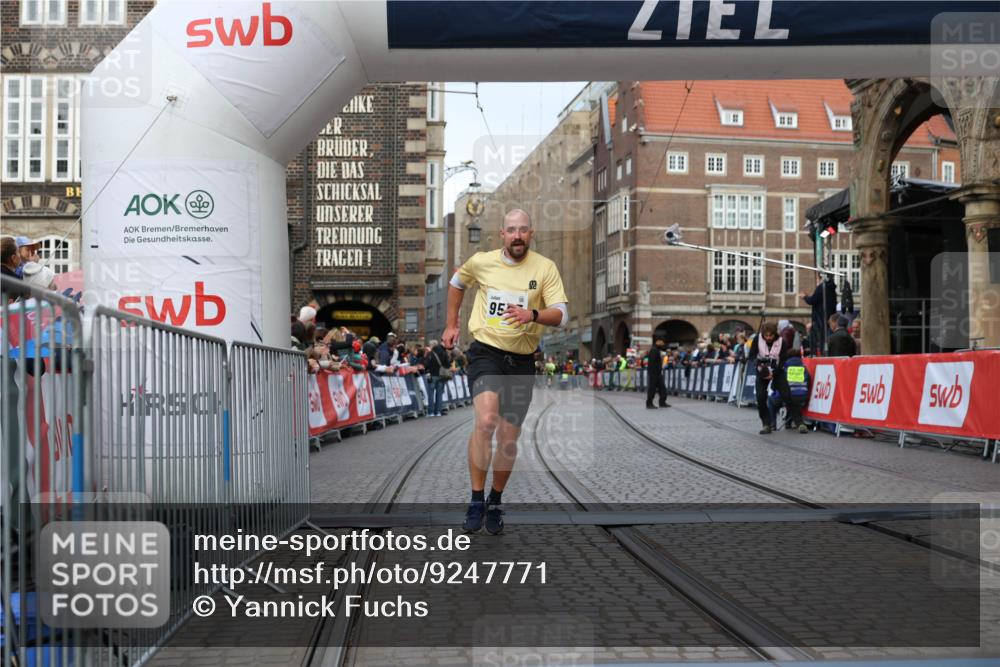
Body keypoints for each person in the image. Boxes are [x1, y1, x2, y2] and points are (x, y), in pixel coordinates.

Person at [443, 208, 569, 535]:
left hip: (522, 360)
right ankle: (475, 499)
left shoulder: (545, 268)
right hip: (486, 351)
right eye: (511, 230)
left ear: (531, 233)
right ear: (502, 234)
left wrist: (534, 314)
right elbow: (457, 283)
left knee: (508, 440)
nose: (517, 236)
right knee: (486, 421)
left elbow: (562, 314)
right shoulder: (482, 261)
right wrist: (452, 323)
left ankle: (495, 499)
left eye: (523, 230)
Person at [748, 322, 805, 434]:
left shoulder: (781, 342)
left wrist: (774, 374)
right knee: (760, 398)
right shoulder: (757, 339)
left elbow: (783, 359)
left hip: (778, 371)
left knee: (787, 396)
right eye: (766, 336)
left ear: (775, 334)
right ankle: (766, 424)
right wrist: (758, 364)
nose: (768, 338)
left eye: (771, 335)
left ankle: (800, 423)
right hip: (762, 371)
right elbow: (751, 356)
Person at [767, 348, 811, 432]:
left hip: (787, 399)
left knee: (771, 400)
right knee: (791, 398)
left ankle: (772, 425)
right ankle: (790, 423)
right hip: (802, 398)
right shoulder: (804, 368)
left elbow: (774, 386)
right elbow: (808, 383)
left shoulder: (783, 369)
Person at [802, 273, 837, 355]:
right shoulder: (831, 288)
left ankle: (822, 355)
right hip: (829, 318)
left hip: (820, 319)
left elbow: (813, 300)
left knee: (821, 340)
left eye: (817, 278)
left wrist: (805, 297)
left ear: (820, 278)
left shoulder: (821, 288)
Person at [425, 339, 449, 417]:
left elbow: (427, 364)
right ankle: (438, 411)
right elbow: (448, 365)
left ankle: (431, 412)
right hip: (441, 376)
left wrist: (427, 372)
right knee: (439, 394)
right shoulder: (444, 353)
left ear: (432, 346)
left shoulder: (430, 353)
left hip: (432, 375)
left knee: (431, 394)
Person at [645, 338, 670, 409]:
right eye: (662, 342)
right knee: (652, 389)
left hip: (658, 373)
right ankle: (649, 403)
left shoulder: (657, 350)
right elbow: (651, 363)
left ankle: (662, 402)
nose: (663, 344)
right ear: (657, 342)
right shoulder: (654, 350)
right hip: (654, 373)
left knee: (662, 388)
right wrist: (652, 373)